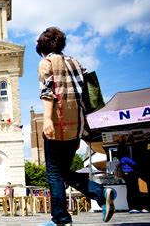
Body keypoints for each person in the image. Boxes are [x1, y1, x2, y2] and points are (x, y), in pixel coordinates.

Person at [36, 27, 116, 225]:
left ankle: (61, 219)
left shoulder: (46, 62)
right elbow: (90, 93)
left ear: (43, 47)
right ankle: (100, 193)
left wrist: (46, 120)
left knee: (54, 173)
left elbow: (47, 92)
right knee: (63, 172)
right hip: (77, 128)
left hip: (57, 126)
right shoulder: (76, 63)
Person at [118, 146, 147, 213]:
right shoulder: (125, 158)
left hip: (127, 175)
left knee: (130, 191)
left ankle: (132, 207)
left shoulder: (121, 158)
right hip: (130, 175)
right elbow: (134, 163)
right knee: (135, 191)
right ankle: (135, 207)